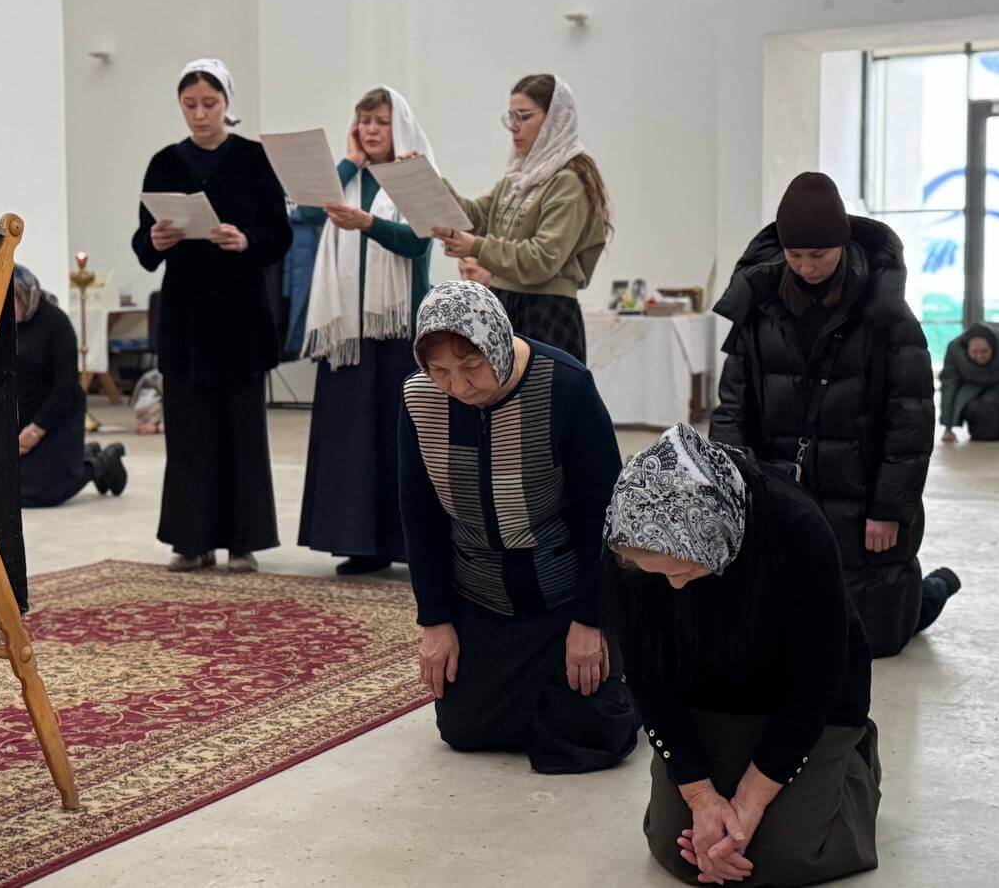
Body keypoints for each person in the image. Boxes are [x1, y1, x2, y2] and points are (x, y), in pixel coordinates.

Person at [604, 425, 880, 887]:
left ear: (718, 536)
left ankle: (858, 765)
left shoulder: (797, 527)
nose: (674, 587)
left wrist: (751, 800)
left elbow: (818, 680)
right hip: (703, 696)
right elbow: (646, 675)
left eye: (687, 570)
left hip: (806, 701)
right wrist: (700, 795)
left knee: (781, 856)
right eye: (658, 575)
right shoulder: (627, 535)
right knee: (680, 848)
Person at [709, 172, 958, 658]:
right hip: (783, 487)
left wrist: (889, 510)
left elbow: (910, 422)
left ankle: (934, 591)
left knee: (873, 640)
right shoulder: (758, 307)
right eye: (794, 255)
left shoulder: (887, 313)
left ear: (841, 245)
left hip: (860, 494)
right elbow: (732, 409)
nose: (806, 267)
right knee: (787, 634)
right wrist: (733, 488)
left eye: (818, 255)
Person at [399, 280, 639, 773]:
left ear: (497, 343)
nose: (458, 387)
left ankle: (626, 674)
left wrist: (590, 620)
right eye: (440, 371)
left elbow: (603, 512)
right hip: (482, 595)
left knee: (593, 734)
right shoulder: (420, 399)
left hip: (564, 597)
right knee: (466, 730)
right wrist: (435, 620)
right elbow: (419, 515)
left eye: (471, 366)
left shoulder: (565, 385)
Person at [131, 57, 291, 573]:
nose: (200, 115)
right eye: (190, 105)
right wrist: (154, 240)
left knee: (242, 433)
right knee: (189, 436)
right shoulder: (164, 163)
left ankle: (244, 541)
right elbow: (143, 243)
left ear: (226, 104)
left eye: (209, 104)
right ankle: (191, 539)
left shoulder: (254, 159)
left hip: (240, 315)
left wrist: (245, 240)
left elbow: (279, 235)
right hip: (186, 318)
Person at [297, 87, 435, 574]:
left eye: (381, 121)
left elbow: (418, 243)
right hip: (350, 334)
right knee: (351, 442)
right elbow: (307, 212)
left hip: (398, 331)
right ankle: (360, 544)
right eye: (364, 121)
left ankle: (408, 547)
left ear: (400, 127)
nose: (372, 129)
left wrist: (368, 223)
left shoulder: (415, 175)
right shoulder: (349, 178)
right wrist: (349, 163)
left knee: (399, 442)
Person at [430, 73, 611, 363]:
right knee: (499, 392)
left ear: (554, 120)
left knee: (541, 393)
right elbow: (474, 217)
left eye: (524, 117)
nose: (514, 127)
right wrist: (429, 182)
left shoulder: (567, 182)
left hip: (546, 309)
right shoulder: (518, 177)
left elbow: (542, 259)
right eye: (511, 117)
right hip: (504, 301)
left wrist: (475, 246)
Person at [14, 264, 126, 507]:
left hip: (58, 415)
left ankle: (102, 462)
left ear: (25, 295)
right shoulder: (5, 326)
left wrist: (37, 429)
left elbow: (65, 386)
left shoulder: (56, 323)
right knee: (11, 490)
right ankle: (86, 453)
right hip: (25, 413)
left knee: (45, 492)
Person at [940, 323, 999, 443]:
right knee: (979, 422)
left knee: (992, 406)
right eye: (974, 352)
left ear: (993, 347)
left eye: (984, 351)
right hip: (969, 393)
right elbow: (949, 385)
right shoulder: (954, 349)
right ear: (967, 348)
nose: (980, 356)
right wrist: (948, 428)